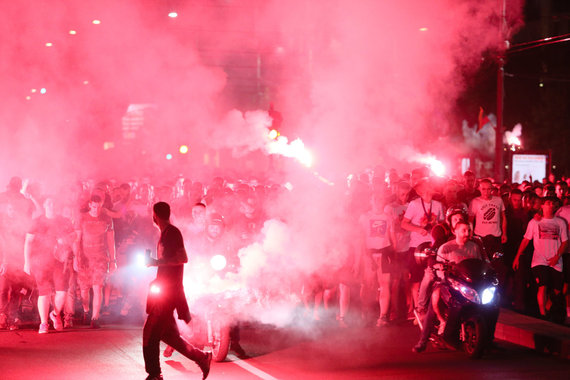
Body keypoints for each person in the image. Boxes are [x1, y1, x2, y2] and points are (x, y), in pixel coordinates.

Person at [143, 202, 211, 380]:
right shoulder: (164, 234)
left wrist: (156, 262)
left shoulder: (172, 233)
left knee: (150, 333)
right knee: (169, 335)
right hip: (165, 291)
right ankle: (202, 357)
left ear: (155, 215)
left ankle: (154, 374)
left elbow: (183, 258)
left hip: (169, 293)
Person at [23, 197, 75, 333]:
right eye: (49, 203)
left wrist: (66, 240)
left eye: (54, 202)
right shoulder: (37, 222)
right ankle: (44, 323)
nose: (52, 205)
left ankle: (55, 314)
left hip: (60, 261)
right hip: (41, 262)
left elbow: (74, 237)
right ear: (45, 205)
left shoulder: (64, 221)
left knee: (62, 292)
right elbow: (28, 242)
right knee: (44, 292)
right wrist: (27, 262)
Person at [513, 196, 568, 320]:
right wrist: (517, 256)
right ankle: (542, 314)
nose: (551, 205)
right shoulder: (534, 222)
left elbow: (565, 242)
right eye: (548, 203)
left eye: (553, 204)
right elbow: (526, 240)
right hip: (539, 260)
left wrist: (557, 256)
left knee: (557, 290)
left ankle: (551, 309)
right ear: (542, 206)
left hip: (556, 260)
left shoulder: (560, 223)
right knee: (542, 285)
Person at [75, 194, 117, 328]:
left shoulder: (107, 219)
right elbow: (77, 240)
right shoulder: (82, 218)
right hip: (85, 258)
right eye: (94, 207)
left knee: (98, 287)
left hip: (100, 258)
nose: (96, 210)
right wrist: (76, 257)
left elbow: (111, 241)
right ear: (90, 205)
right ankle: (86, 311)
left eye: (98, 207)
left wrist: (113, 260)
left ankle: (95, 317)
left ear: (102, 205)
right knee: (84, 290)